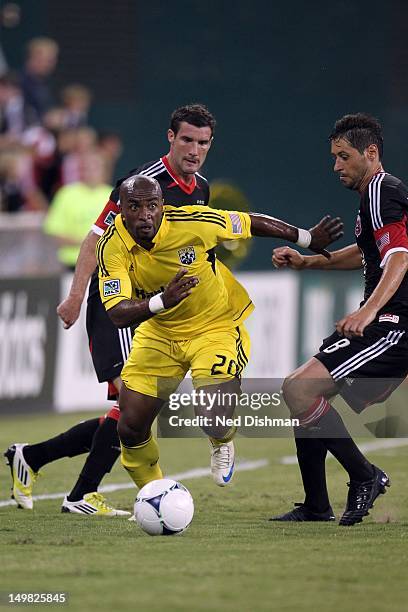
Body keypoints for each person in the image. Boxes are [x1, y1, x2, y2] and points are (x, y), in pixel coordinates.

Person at [3, 104, 340, 515]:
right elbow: (96, 237)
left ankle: (44, 465)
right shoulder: (141, 187)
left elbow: (210, 233)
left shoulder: (199, 188)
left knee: (130, 410)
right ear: (170, 138)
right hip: (122, 303)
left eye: (202, 143)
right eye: (187, 140)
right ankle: (78, 492)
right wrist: (76, 295)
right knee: (130, 406)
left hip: (166, 307)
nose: (194, 150)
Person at [98, 174, 343, 492]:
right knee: (130, 426)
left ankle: (222, 440)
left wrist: (307, 239)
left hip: (215, 326)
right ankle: (154, 493)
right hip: (159, 332)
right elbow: (116, 313)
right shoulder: (112, 245)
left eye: (152, 205)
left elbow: (250, 222)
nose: (145, 214)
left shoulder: (193, 222)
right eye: (134, 206)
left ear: (162, 206)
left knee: (212, 417)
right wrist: (162, 301)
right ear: (121, 210)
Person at [271, 113, 408, 526]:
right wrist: (306, 263)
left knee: (299, 389)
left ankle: (365, 475)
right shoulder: (374, 197)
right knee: (303, 394)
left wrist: (368, 312)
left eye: (343, 156)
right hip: (387, 322)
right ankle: (316, 505)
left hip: (395, 325)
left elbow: (399, 258)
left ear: (370, 153)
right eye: (334, 157)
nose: (336, 166)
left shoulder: (383, 190)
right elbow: (367, 254)